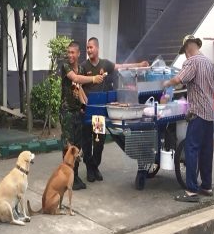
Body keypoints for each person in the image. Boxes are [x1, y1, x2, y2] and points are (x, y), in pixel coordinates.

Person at [163, 35, 214, 203]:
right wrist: (205, 91)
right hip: (209, 113)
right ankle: (207, 186)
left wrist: (166, 84)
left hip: (197, 112)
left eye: (185, 53)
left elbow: (178, 79)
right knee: (206, 150)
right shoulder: (209, 63)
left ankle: (191, 191)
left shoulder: (191, 62)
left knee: (191, 149)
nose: (185, 56)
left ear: (188, 49)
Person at [81, 37, 148, 183]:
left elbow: (121, 66)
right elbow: (78, 83)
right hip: (88, 111)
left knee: (98, 142)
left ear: (97, 48)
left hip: (99, 113)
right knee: (87, 143)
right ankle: (89, 170)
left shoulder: (105, 64)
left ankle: (95, 166)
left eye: (91, 47)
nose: (89, 50)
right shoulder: (83, 66)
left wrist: (139, 64)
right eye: (87, 48)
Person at [58, 41, 104, 190]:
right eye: (68, 52)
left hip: (78, 112)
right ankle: (66, 177)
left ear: (78, 54)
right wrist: (93, 78)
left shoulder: (82, 68)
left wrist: (85, 105)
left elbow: (79, 88)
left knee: (77, 146)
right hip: (67, 113)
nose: (70, 55)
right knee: (68, 145)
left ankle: (75, 175)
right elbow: (76, 79)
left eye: (73, 52)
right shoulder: (65, 66)